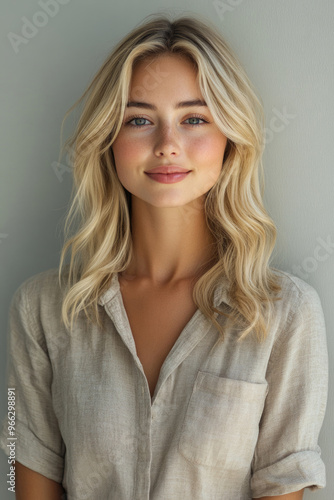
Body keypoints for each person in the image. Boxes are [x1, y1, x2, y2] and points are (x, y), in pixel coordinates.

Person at [0, 12, 328, 500]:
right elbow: (18, 471)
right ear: (109, 139)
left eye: (194, 119)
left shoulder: (286, 314)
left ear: (229, 139)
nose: (168, 145)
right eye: (139, 120)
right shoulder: (42, 309)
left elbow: (286, 481)